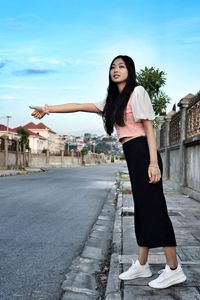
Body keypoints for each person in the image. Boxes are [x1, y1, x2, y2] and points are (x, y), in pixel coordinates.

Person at [30, 55, 187, 289]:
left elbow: (149, 128)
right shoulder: (113, 101)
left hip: (144, 153)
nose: (116, 70)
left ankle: (174, 269)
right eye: (113, 67)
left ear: (129, 71)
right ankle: (142, 264)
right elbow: (80, 106)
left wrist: (153, 163)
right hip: (132, 154)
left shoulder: (138, 92)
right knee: (142, 211)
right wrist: (48, 109)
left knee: (155, 209)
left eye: (121, 66)